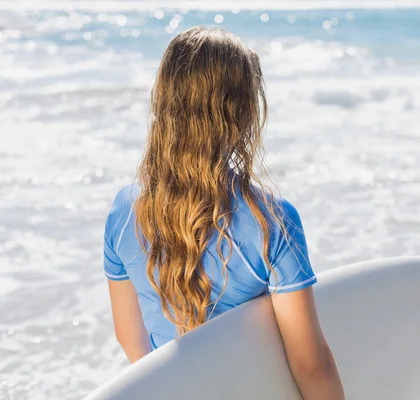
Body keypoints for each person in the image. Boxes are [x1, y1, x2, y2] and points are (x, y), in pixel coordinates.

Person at [103, 26, 345, 399]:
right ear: (242, 113)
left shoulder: (124, 211)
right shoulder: (270, 222)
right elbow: (311, 365)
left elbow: (130, 337)